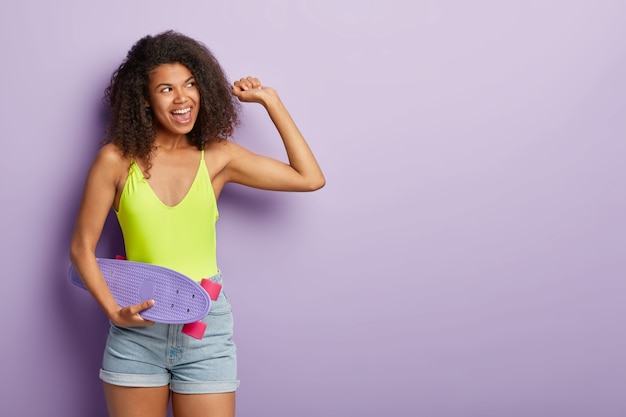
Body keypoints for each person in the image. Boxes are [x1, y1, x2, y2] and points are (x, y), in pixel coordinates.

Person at [70, 30, 325, 417]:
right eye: (167, 89)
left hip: (205, 328)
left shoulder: (218, 156)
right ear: (144, 99)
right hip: (137, 327)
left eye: (190, 84)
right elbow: (81, 248)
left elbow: (309, 178)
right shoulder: (116, 160)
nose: (182, 97)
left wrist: (271, 102)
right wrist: (112, 310)